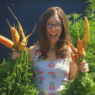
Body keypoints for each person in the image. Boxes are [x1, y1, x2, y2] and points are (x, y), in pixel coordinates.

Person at [12, 7, 89, 95]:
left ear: (63, 27)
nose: (53, 28)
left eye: (57, 24)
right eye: (49, 24)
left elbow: (74, 83)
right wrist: (17, 62)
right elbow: (26, 81)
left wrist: (82, 70)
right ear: (43, 27)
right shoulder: (33, 51)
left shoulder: (71, 52)